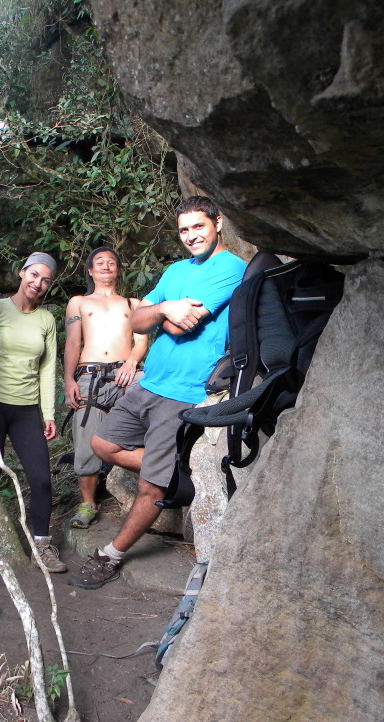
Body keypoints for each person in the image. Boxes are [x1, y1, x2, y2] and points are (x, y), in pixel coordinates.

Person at [69, 196, 246, 589]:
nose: (191, 236)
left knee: (150, 486)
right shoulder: (175, 270)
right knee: (102, 444)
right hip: (149, 382)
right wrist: (168, 309)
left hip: (185, 389)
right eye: (184, 230)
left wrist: (160, 312)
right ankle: (175, 472)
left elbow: (179, 327)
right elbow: (136, 318)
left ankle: (111, 555)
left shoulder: (231, 269)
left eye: (198, 227)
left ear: (217, 223)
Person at [0, 252, 66, 572]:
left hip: (27, 408)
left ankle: (42, 546)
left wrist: (49, 413)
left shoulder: (46, 319)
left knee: (42, 480)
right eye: (34, 275)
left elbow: (47, 369)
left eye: (45, 280)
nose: (38, 283)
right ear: (22, 273)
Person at [63, 246, 148, 528]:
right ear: (90, 270)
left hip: (127, 373)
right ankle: (88, 503)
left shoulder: (133, 304)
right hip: (90, 375)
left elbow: (141, 341)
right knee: (86, 436)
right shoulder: (79, 302)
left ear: (119, 269)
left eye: (111, 262)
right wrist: (69, 380)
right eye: (99, 262)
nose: (106, 266)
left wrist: (131, 363)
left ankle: (149, 486)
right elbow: (73, 343)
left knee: (155, 401)